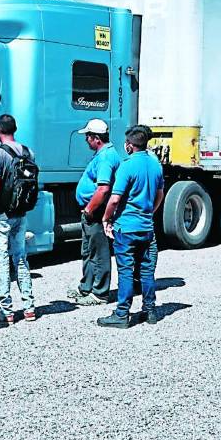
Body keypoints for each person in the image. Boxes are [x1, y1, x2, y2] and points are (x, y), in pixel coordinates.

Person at [98, 125, 165, 329]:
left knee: (126, 271)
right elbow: (160, 194)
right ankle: (150, 311)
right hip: (147, 228)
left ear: (129, 145)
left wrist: (106, 219)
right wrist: (149, 212)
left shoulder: (127, 166)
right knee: (147, 270)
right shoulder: (155, 165)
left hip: (126, 228)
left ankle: (122, 314)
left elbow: (115, 199)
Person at [0, 114, 36, 325]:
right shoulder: (28, 151)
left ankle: (6, 311)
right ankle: (29, 308)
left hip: (0, 216)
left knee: (1, 262)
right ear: (15, 128)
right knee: (20, 258)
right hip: (20, 213)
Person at [68, 119, 122, 305]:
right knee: (88, 250)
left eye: (88, 136)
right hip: (92, 211)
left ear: (97, 138)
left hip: (96, 211)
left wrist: (89, 209)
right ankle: (87, 287)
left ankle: (99, 293)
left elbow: (103, 189)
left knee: (98, 252)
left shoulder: (106, 158)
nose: (86, 140)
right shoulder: (104, 154)